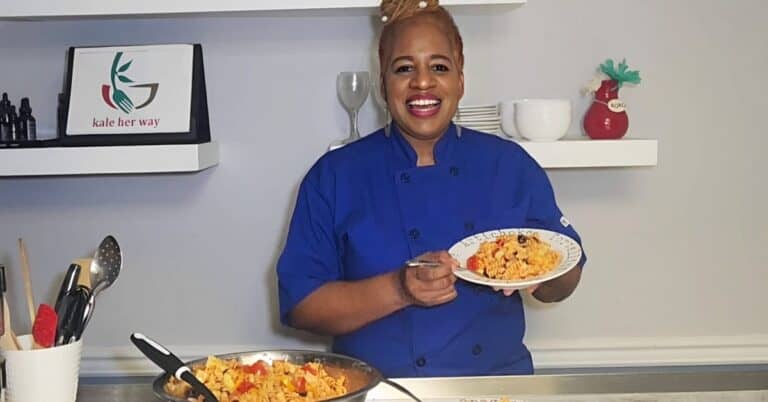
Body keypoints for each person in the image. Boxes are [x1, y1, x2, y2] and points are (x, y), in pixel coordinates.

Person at [277, 0, 586, 377]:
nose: (422, 82)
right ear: (382, 83)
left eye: (439, 67)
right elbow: (303, 305)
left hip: (493, 390)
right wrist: (399, 288)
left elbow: (566, 274)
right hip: (379, 390)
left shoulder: (509, 165)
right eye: (403, 68)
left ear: (460, 79)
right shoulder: (335, 175)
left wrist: (544, 275)